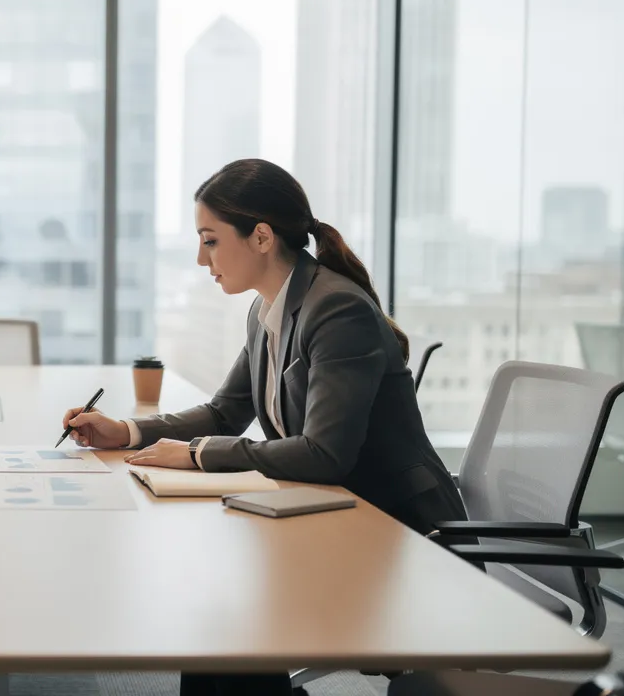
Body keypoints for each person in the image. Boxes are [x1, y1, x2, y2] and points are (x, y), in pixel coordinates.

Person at [62, 158, 465, 696]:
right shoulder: (268, 309)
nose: (200, 257)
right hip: (332, 515)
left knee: (225, 614)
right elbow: (226, 411)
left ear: (260, 237)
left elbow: (326, 454)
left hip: (398, 535)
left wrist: (199, 454)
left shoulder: (336, 310)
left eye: (209, 240)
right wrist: (128, 432)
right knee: (222, 605)